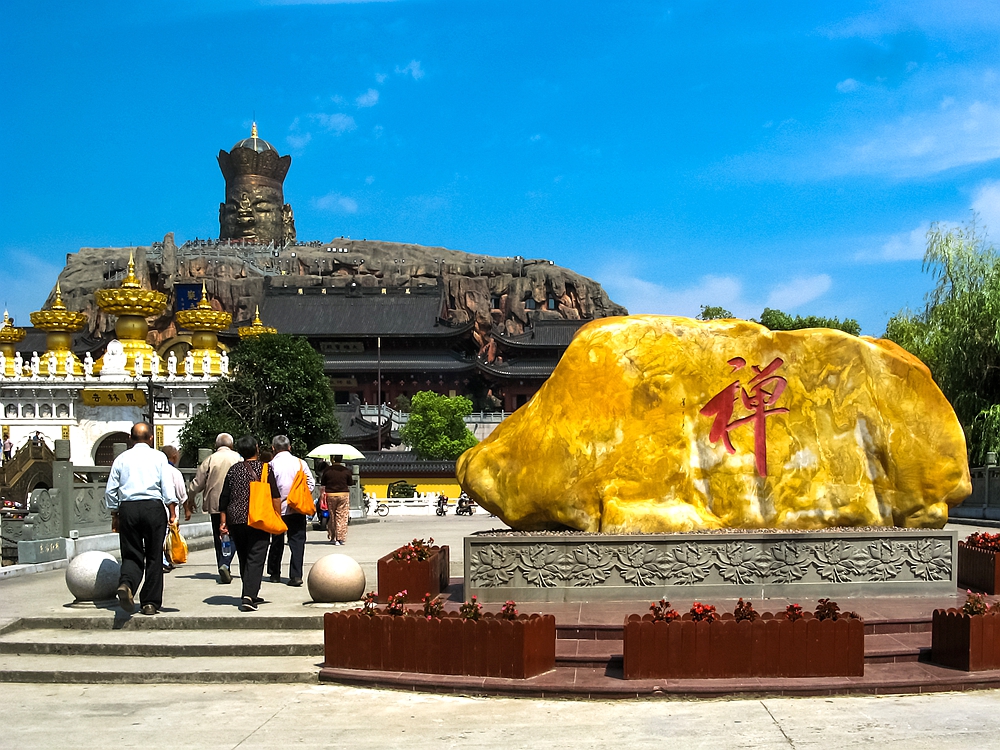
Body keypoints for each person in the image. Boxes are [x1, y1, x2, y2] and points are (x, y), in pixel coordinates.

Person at [103, 422, 176, 615]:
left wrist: (114, 513)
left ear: (130, 438)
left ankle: (127, 584)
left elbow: (111, 490)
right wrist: (172, 511)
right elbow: (167, 486)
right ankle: (150, 603)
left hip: (128, 508)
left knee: (131, 554)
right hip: (153, 507)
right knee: (154, 556)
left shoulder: (121, 458)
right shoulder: (159, 457)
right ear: (151, 438)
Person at [218, 435, 280, 612]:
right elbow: (275, 495)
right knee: (257, 556)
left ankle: (250, 591)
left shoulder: (234, 470)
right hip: (258, 517)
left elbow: (225, 497)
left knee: (245, 556)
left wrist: (223, 521)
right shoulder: (265, 469)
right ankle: (248, 596)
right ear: (257, 448)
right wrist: (276, 516)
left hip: (235, 518)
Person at [187, 433, 242, 583]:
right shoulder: (238, 458)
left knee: (219, 536)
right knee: (235, 535)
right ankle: (226, 563)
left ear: (216, 446)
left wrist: (190, 498)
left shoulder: (210, 459)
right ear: (231, 445)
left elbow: (198, 483)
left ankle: (223, 565)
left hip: (215, 504)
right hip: (235, 503)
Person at [265, 435, 315, 586]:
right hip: (297, 508)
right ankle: (296, 575)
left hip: (277, 508)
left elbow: (267, 488)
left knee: (276, 541)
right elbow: (311, 484)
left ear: (273, 449)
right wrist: (300, 496)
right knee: (297, 542)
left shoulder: (270, 465)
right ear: (290, 447)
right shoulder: (300, 463)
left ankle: (274, 573)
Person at [160, 445, 186, 572]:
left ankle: (163, 560)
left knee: (159, 536)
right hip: (169, 510)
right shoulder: (174, 472)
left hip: (152, 508)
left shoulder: (157, 469)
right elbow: (181, 494)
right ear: (174, 457)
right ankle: (164, 562)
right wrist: (186, 509)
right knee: (165, 536)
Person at [321, 455, 353, 546]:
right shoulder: (345, 470)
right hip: (343, 494)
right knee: (342, 516)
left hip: (331, 495)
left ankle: (333, 536)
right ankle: (340, 538)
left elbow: (323, 482)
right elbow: (350, 482)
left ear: (332, 459)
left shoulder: (328, 470)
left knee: (332, 515)